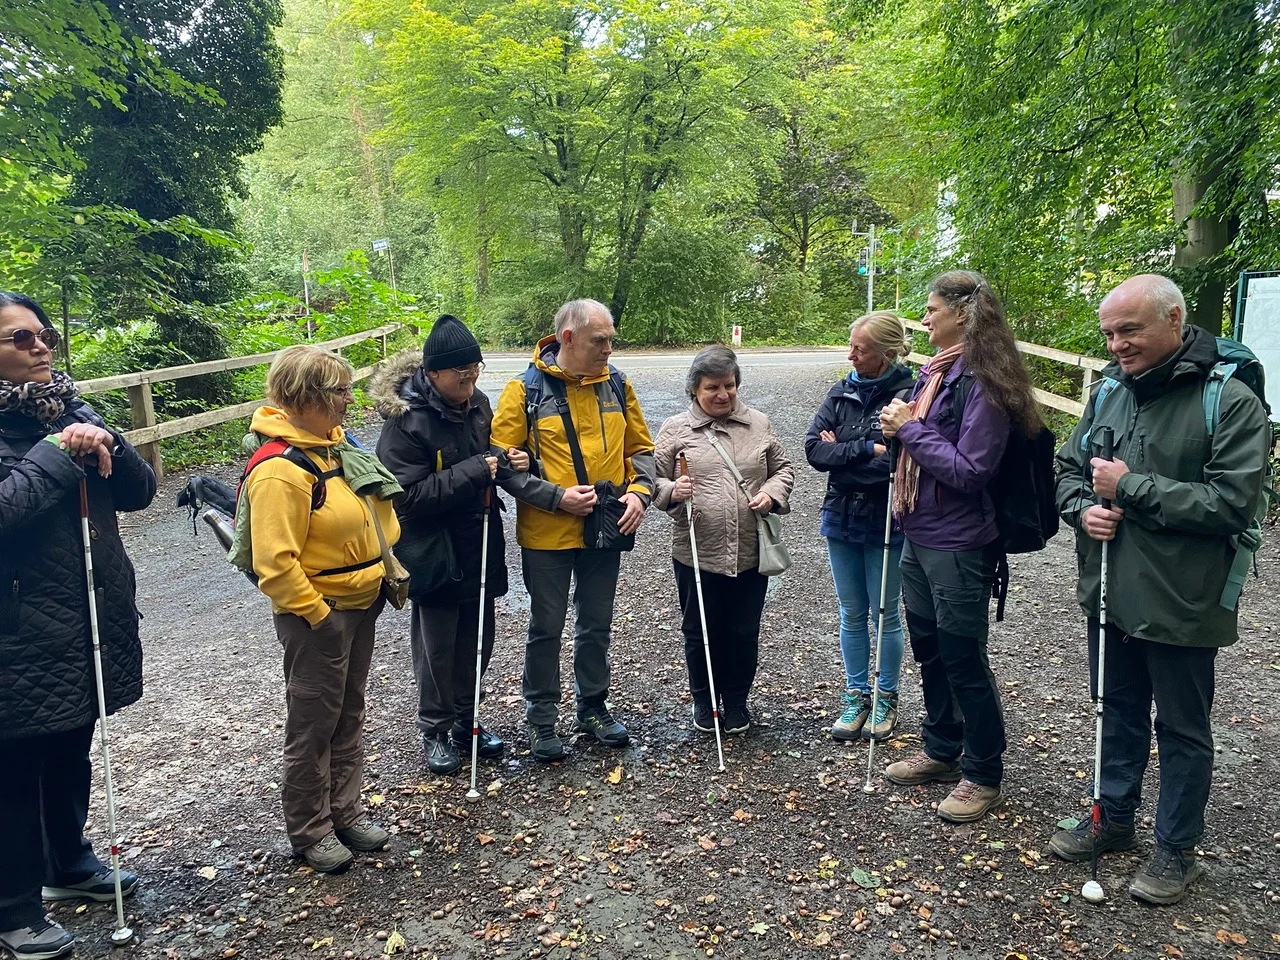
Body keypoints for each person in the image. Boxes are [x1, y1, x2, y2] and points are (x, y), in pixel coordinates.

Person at [1050, 275, 1269, 904]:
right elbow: (1069, 469)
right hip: (1111, 587)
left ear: (1174, 320)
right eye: (1109, 333)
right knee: (1115, 711)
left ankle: (1176, 849)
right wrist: (1082, 510)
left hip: (1184, 597)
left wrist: (1129, 488)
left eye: (1130, 330)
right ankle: (1113, 818)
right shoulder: (1111, 391)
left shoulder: (1229, 399)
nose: (1116, 344)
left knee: (1181, 727)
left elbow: (1233, 503)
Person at [0, 292, 156, 960]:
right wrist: (58, 453)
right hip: (16, 630)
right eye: (20, 338)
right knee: (15, 768)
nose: (40, 346)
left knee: (70, 744)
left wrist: (109, 444)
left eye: (44, 335)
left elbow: (140, 492)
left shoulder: (72, 408)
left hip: (84, 616)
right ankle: (13, 907)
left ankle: (67, 862)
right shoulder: (47, 432)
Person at [879, 270, 1043, 823]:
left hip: (960, 541)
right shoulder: (936, 374)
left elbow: (970, 471)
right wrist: (897, 431)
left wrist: (908, 429)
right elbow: (923, 449)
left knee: (962, 656)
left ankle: (984, 773)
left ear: (963, 314)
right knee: (929, 649)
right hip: (918, 531)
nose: (925, 318)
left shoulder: (984, 382)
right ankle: (943, 749)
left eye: (932, 309)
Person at [241, 345, 402, 874]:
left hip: (360, 603)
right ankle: (311, 830)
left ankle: (345, 812)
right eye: (340, 391)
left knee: (348, 713)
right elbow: (274, 564)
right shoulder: (281, 470)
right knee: (313, 724)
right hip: (319, 615)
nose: (350, 400)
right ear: (305, 396)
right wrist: (318, 617)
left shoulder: (335, 449)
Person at [491, 298, 656, 761]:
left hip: (606, 526)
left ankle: (593, 708)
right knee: (546, 626)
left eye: (610, 340)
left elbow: (641, 449)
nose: (609, 349)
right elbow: (500, 464)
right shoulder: (523, 391)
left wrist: (640, 493)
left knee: (596, 623)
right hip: (547, 533)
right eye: (599, 340)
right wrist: (556, 497)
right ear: (568, 338)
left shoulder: (618, 385)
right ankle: (542, 720)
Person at [372, 314, 531, 775]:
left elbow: (485, 456)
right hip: (432, 549)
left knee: (479, 638)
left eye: (475, 370)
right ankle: (436, 730)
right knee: (437, 647)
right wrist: (479, 470)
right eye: (461, 374)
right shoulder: (406, 420)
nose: (471, 382)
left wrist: (511, 459)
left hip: (478, 538)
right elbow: (405, 496)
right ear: (433, 373)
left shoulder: (477, 403)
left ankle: (467, 720)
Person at [652, 345, 794, 734]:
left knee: (743, 631)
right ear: (694, 390)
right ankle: (704, 700)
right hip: (697, 551)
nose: (723, 394)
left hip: (750, 550)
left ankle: (735, 702)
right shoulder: (676, 429)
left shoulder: (759, 424)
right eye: (712, 387)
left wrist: (772, 494)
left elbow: (783, 469)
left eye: (729, 385)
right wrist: (672, 490)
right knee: (701, 631)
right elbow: (650, 479)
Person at [805, 312, 915, 742]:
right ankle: (856, 694)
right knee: (851, 612)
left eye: (860, 349)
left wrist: (845, 454)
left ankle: (886, 697)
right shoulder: (841, 390)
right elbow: (814, 451)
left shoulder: (909, 395)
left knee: (885, 613)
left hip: (888, 518)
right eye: (851, 346)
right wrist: (867, 448)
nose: (850, 355)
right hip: (840, 515)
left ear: (886, 353)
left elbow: (899, 464)